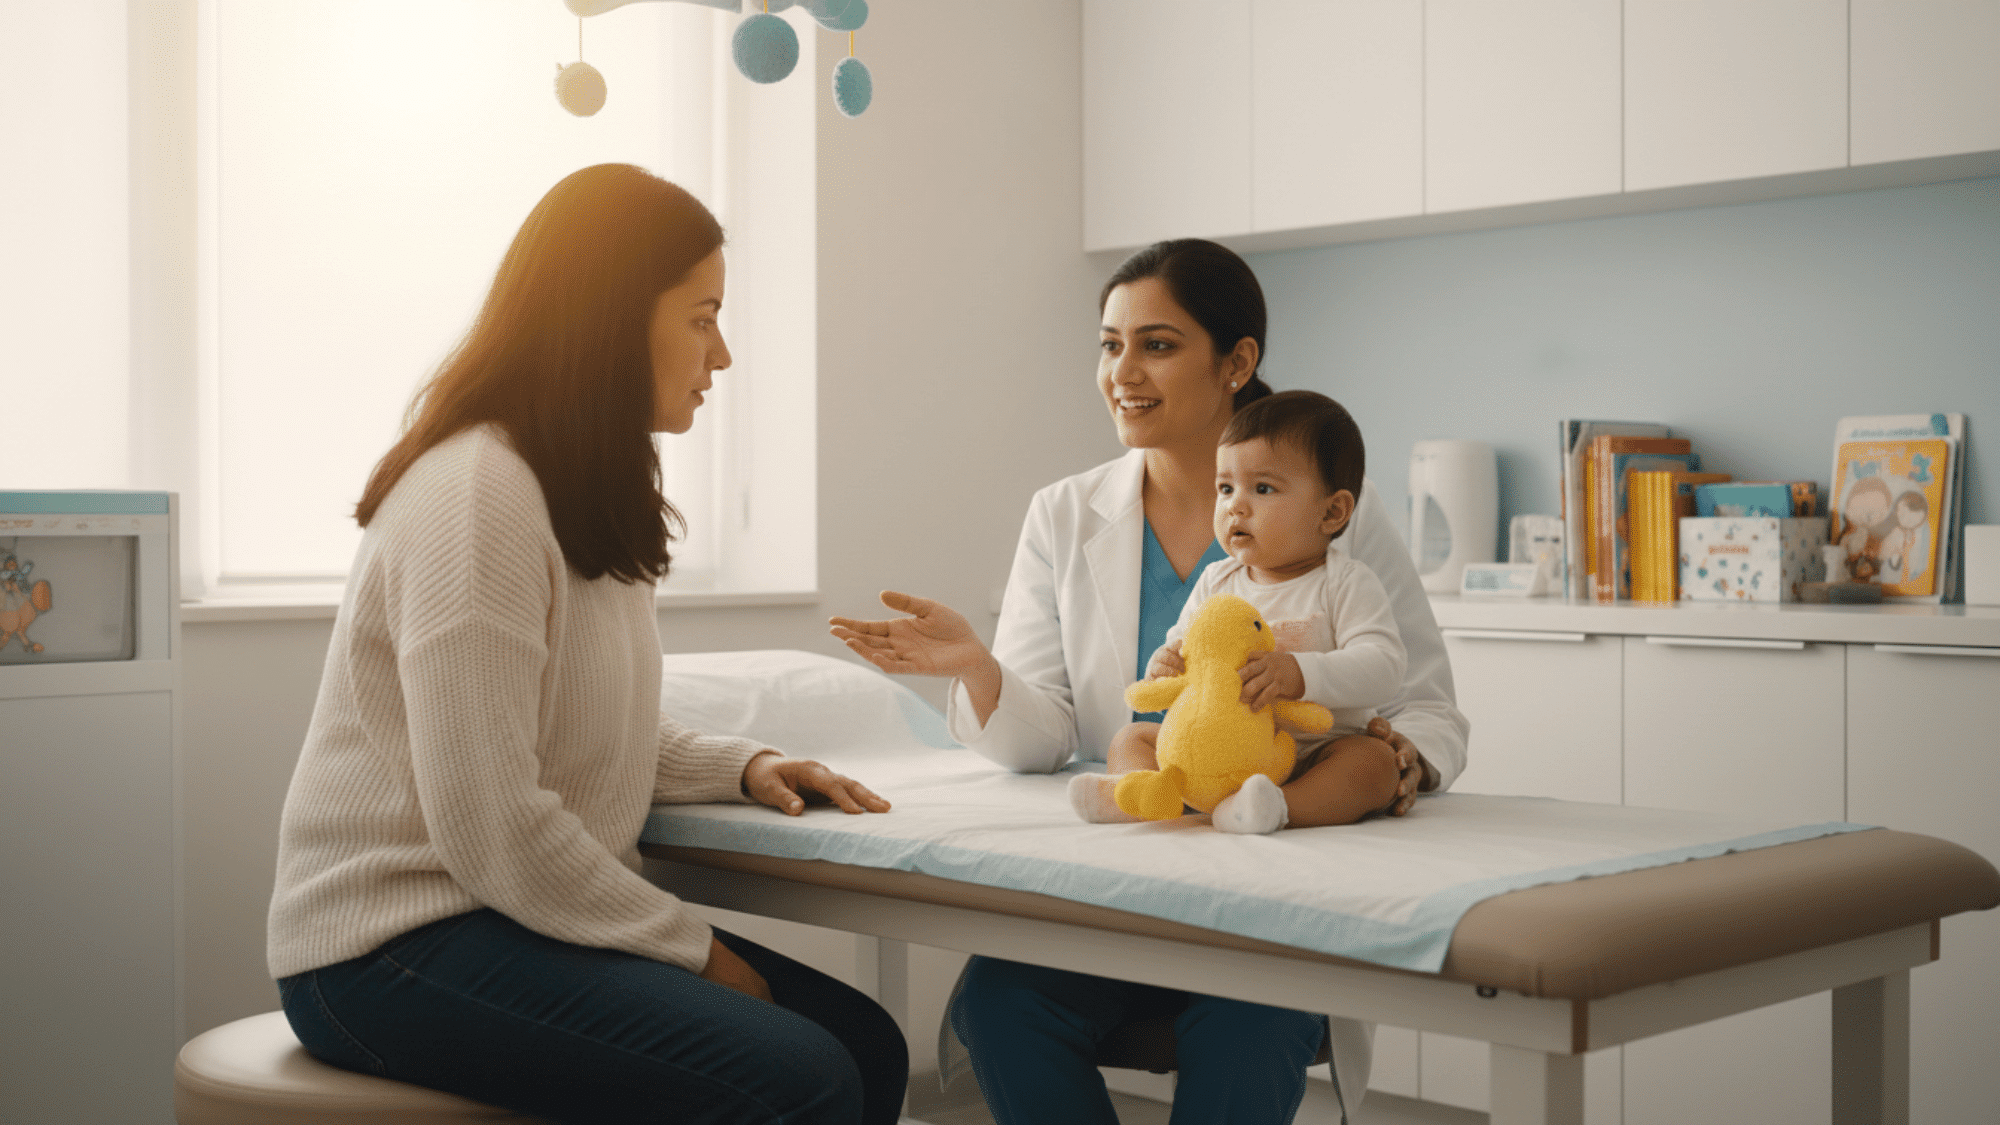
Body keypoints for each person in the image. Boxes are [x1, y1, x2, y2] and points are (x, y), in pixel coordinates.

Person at [267, 164, 907, 1125]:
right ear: (612, 320)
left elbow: (576, 730)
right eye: (702, 318)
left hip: (500, 912)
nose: (722, 353)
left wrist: (742, 766)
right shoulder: (478, 497)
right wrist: (694, 950)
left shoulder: (576, 489)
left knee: (866, 1045)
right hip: (390, 945)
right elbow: (492, 822)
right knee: (802, 1074)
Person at [829, 238, 1469, 1125]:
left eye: (1157, 345)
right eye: (1109, 345)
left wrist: (1400, 764)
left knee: (1253, 1023)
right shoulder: (1063, 513)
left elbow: (1426, 706)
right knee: (1000, 1006)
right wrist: (978, 667)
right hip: (1121, 881)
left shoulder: (1332, 515)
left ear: (1237, 362)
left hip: (1270, 892)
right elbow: (1046, 736)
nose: (1122, 372)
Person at [1069, 389, 1406, 835]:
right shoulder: (1216, 580)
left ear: (1332, 511)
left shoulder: (1345, 582)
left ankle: (1275, 806)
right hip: (1214, 749)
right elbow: (1182, 645)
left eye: (1262, 489)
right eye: (1225, 488)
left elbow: (1385, 666)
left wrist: (1299, 673)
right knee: (1132, 737)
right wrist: (1165, 665)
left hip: (1309, 751)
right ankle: (1137, 793)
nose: (1235, 505)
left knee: (1375, 764)